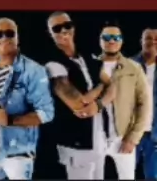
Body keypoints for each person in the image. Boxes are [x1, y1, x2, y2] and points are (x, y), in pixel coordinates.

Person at [0, 17, 54, 180]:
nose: (4, 38)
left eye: (9, 33)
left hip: (18, 155)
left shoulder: (33, 70)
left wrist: (10, 120)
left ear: (17, 37)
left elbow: (47, 113)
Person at [45, 11, 116, 180]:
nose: (64, 31)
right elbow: (79, 104)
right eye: (57, 28)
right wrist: (102, 86)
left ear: (73, 27)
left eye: (67, 25)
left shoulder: (88, 57)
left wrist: (97, 104)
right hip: (76, 146)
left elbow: (114, 87)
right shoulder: (53, 65)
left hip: (99, 140)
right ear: (50, 33)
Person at [93, 23, 150, 180]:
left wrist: (133, 138)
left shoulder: (134, 68)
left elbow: (145, 104)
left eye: (116, 37)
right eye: (106, 37)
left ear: (122, 40)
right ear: (100, 40)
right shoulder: (91, 66)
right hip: (95, 137)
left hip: (122, 136)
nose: (111, 41)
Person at [133, 28, 157, 179]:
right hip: (132, 132)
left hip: (155, 134)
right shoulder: (128, 65)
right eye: (148, 38)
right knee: (126, 174)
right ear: (141, 41)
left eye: (156, 39)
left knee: (153, 176)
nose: (153, 42)